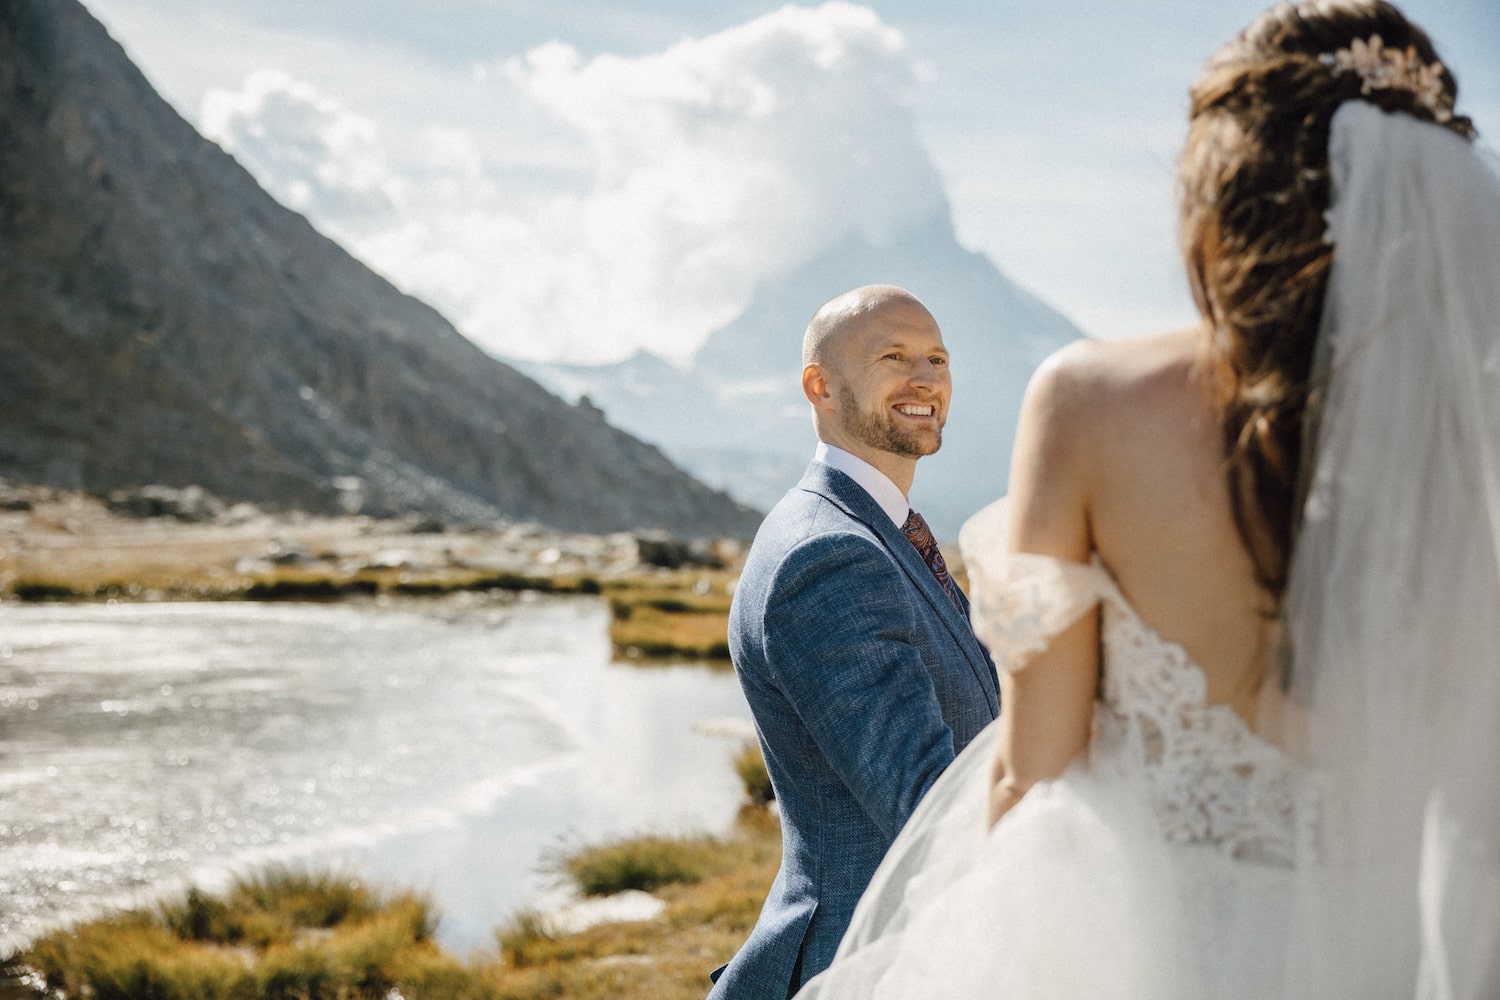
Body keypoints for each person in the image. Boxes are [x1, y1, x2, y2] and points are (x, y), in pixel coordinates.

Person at [794, 2, 1500, 997]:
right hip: (1404, 949)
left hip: (1162, 948)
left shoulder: (1092, 403)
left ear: (1221, 191)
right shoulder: (1472, 434)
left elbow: (1037, 757)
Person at [707, 284, 1000, 999]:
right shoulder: (829, 555)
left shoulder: (878, 532)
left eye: (937, 358)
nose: (926, 378)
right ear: (820, 386)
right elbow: (929, 807)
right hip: (865, 964)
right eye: (892, 356)